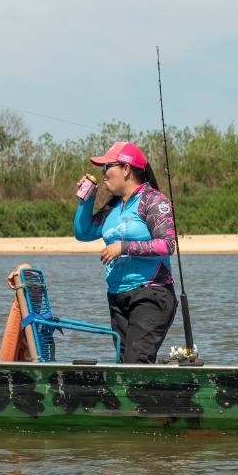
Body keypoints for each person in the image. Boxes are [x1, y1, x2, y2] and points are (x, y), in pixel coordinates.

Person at [73, 141, 178, 364]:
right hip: (117, 298)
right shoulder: (113, 206)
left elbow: (167, 244)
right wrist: (87, 199)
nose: (103, 174)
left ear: (126, 169)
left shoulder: (153, 201)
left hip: (151, 295)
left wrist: (123, 247)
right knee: (124, 365)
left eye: (106, 167)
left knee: (135, 363)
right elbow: (84, 232)